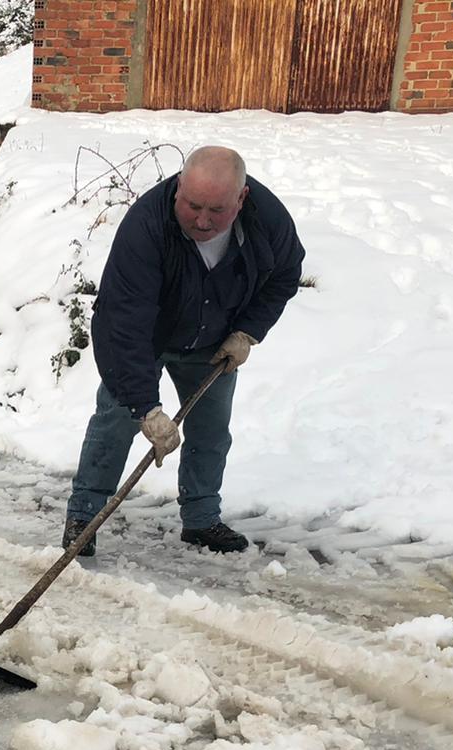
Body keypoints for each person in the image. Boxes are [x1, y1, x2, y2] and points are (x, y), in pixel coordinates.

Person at [64, 146, 304, 556]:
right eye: (192, 206)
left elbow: (284, 275)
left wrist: (247, 331)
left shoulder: (268, 220)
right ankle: (84, 516)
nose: (202, 220)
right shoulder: (146, 228)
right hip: (149, 337)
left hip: (215, 340)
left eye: (217, 210)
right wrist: (145, 407)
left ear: (241, 199)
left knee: (211, 431)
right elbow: (123, 322)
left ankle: (201, 519)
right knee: (115, 421)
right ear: (178, 187)